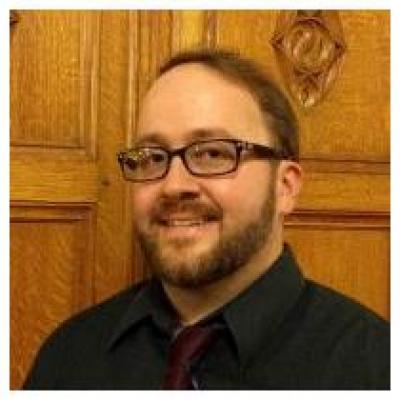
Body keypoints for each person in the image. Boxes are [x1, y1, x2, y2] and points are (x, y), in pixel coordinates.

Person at [23, 48, 389, 390]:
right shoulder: (69, 359)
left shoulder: (376, 367)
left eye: (213, 154)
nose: (174, 186)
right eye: (152, 157)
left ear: (285, 187)